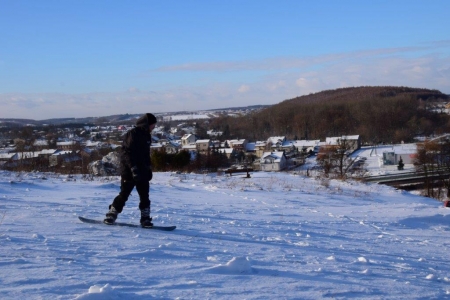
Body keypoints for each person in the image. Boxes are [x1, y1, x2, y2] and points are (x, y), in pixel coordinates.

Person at [104, 113, 157, 227]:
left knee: (144, 196)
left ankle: (145, 218)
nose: (153, 127)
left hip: (142, 170)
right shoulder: (132, 134)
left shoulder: (147, 135)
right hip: (128, 170)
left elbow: (146, 155)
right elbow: (127, 153)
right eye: (152, 125)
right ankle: (112, 214)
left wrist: (148, 169)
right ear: (146, 124)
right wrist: (133, 169)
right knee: (124, 194)